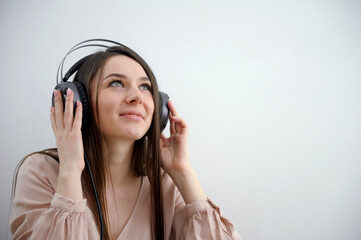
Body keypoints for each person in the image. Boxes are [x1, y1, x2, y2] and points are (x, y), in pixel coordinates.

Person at [9, 43, 242, 240]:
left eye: (145, 86)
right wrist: (70, 171)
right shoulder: (41, 172)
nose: (137, 97)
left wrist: (183, 172)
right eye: (116, 83)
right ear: (80, 100)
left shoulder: (165, 182)